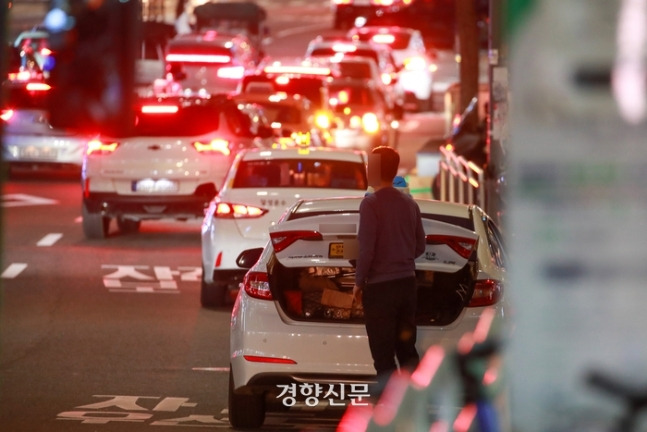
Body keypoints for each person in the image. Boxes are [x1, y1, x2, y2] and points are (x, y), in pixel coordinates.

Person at [353, 146, 426, 397]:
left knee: (383, 356)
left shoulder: (370, 204)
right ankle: (414, 402)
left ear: (374, 170)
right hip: (407, 285)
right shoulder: (409, 203)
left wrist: (358, 282)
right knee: (407, 350)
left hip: (380, 290)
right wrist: (400, 259)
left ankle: (389, 411)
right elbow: (420, 246)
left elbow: (366, 250)